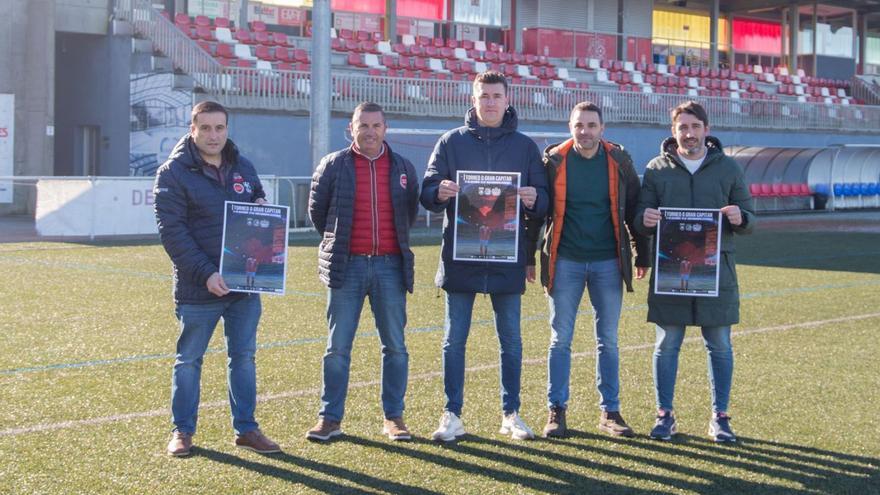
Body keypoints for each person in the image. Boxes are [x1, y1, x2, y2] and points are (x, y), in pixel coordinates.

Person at [421, 71, 549, 442]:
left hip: (506, 256)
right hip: (461, 256)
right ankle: (452, 414)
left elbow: (543, 201)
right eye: (484, 96)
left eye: (496, 96)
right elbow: (427, 190)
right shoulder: (450, 142)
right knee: (454, 339)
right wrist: (439, 190)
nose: (490, 102)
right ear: (473, 100)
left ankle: (511, 413)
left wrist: (532, 199)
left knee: (511, 340)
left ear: (507, 100)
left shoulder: (525, 146)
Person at [154, 100, 280, 456]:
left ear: (227, 129)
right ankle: (182, 432)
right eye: (205, 128)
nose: (213, 135)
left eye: (219, 128)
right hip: (198, 286)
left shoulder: (243, 166)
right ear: (192, 129)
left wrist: (260, 209)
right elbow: (172, 233)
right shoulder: (173, 173)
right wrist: (206, 273)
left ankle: (247, 429)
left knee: (243, 357)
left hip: (244, 285)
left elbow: (258, 206)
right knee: (189, 360)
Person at [525, 101, 651, 439]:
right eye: (579, 125)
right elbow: (536, 212)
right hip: (564, 260)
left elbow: (634, 208)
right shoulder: (553, 161)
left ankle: (610, 411)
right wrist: (527, 257)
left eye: (591, 125)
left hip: (608, 261)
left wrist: (641, 255)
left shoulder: (619, 161)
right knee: (559, 339)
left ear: (602, 128)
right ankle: (556, 410)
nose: (585, 131)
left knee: (608, 340)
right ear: (570, 126)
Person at [634, 100, 755, 443]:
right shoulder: (657, 169)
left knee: (719, 345)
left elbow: (750, 217)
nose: (689, 134)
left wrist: (740, 217)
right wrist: (644, 220)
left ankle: (720, 418)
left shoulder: (728, 168)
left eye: (694, 127)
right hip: (671, 272)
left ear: (706, 129)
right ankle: (665, 415)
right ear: (673, 133)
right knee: (667, 344)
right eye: (682, 128)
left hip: (717, 274)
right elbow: (640, 215)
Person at [307, 102, 420, 442]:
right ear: (350, 128)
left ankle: (394, 417)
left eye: (375, 125)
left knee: (395, 347)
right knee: (337, 347)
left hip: (389, 267)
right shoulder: (332, 165)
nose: (369, 131)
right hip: (347, 266)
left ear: (385, 129)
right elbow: (318, 214)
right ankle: (330, 418)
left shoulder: (402, 167)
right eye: (363, 125)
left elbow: (409, 213)